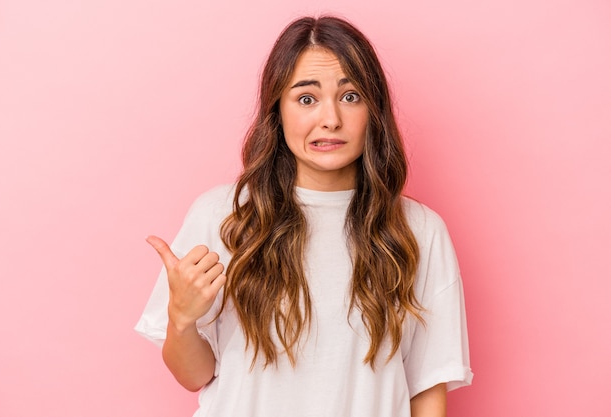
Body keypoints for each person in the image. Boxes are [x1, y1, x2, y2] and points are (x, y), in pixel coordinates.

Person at [135, 15, 472, 417]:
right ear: (278, 110)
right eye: (307, 98)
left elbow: (427, 386)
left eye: (350, 97)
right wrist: (181, 319)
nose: (330, 119)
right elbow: (195, 375)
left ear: (373, 109)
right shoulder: (224, 217)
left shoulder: (418, 231)